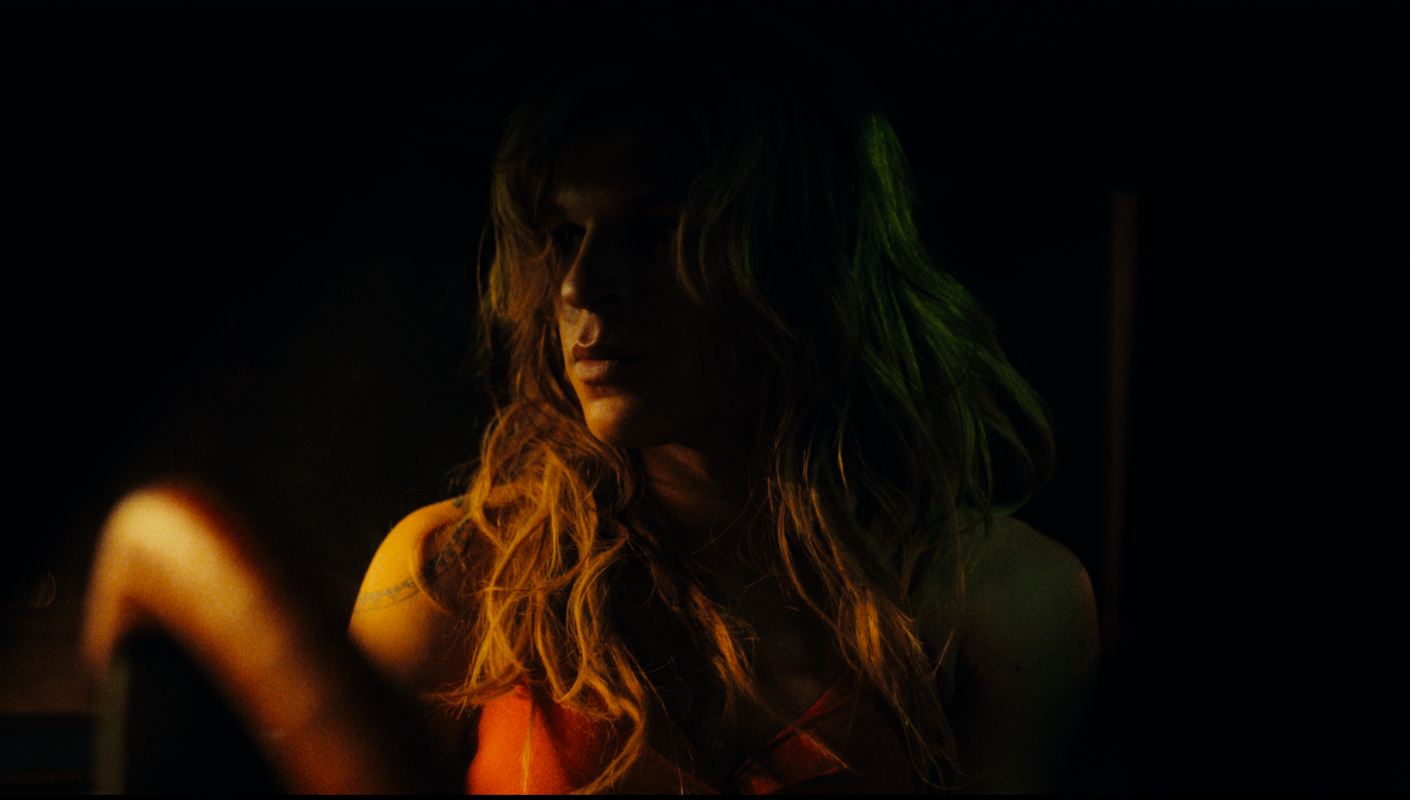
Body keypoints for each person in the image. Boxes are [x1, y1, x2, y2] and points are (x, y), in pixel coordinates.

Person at [84, 41, 1098, 794]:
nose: (582, 286)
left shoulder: (1002, 602)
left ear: (802, 263)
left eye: (654, 235)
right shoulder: (452, 580)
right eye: (564, 235)